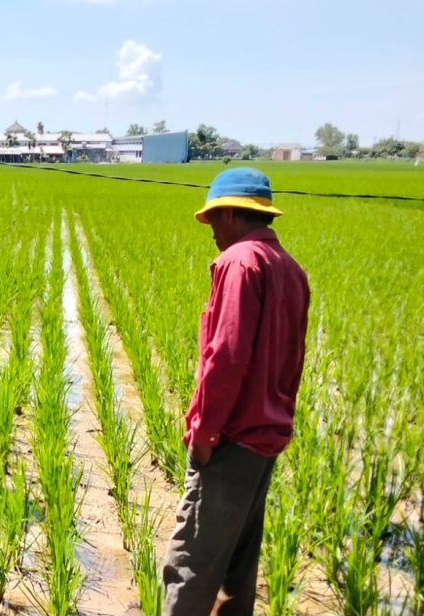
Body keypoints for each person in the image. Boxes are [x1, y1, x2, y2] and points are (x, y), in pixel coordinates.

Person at [162, 167, 310, 616]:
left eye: (213, 219)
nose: (211, 230)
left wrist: (205, 433)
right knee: (238, 565)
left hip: (231, 439)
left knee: (192, 562)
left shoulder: (239, 262)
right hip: (264, 442)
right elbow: (292, 359)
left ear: (230, 213)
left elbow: (225, 356)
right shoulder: (291, 270)